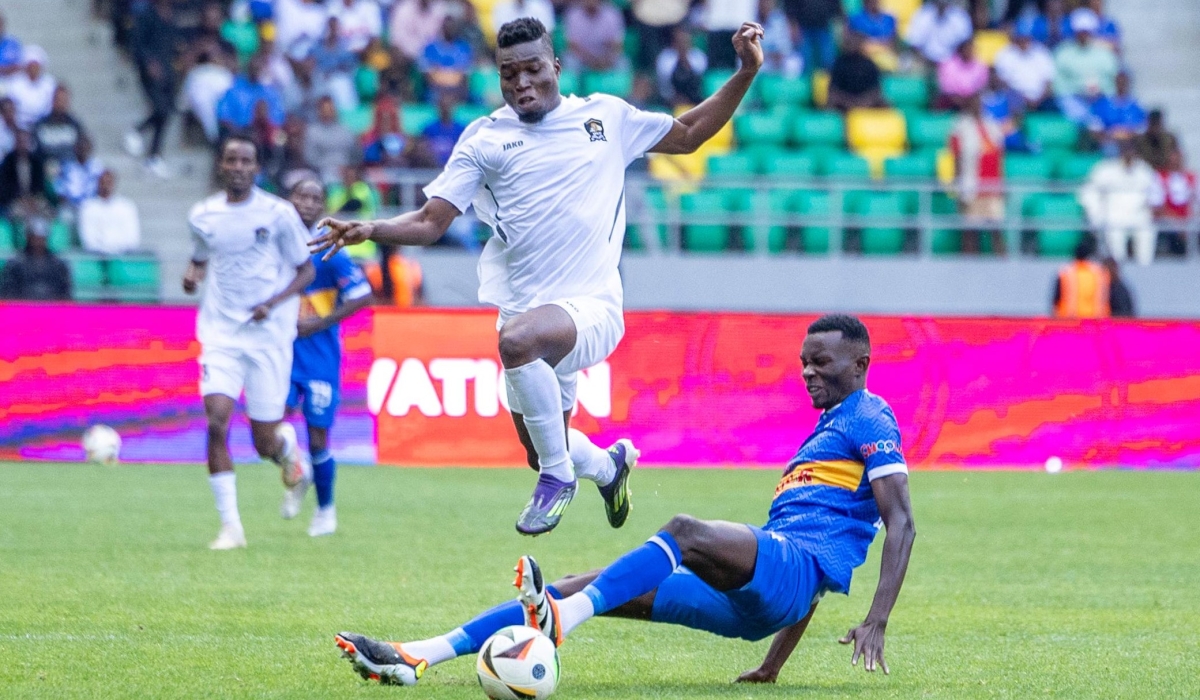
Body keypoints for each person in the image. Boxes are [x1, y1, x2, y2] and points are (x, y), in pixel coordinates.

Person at [312, 17, 766, 535]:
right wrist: (370, 227)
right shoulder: (484, 139)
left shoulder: (604, 117)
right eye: (510, 74)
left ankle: (558, 479)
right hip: (528, 309)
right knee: (539, 439)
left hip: (592, 307)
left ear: (555, 66)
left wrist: (745, 73)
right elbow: (431, 220)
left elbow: (688, 135)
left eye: (532, 70)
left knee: (517, 345)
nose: (522, 83)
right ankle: (607, 466)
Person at [333, 314, 917, 688]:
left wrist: (877, 619)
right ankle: (418, 655)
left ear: (860, 363)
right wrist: (771, 665)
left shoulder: (870, 415)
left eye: (822, 362)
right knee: (573, 586)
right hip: (757, 604)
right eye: (803, 363)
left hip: (785, 574)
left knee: (683, 531)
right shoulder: (828, 430)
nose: (808, 372)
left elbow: (901, 524)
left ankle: (561, 619)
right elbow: (807, 578)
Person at [182, 135, 316, 550]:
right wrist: (193, 275)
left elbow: (305, 271)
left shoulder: (277, 214)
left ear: (256, 168)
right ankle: (231, 527)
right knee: (216, 421)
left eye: (246, 160)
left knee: (263, 442)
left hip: (268, 339)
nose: (238, 166)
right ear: (221, 166)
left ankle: (286, 448)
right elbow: (201, 255)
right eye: (231, 160)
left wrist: (273, 303)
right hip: (221, 334)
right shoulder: (203, 214)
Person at [284, 179, 373, 537]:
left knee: (318, 436)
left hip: (320, 356)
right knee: (271, 422)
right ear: (289, 200)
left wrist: (319, 322)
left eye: (314, 198)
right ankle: (294, 469)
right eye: (300, 195)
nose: (306, 203)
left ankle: (325, 510)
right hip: (279, 352)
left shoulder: (330, 249)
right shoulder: (276, 241)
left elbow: (362, 295)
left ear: (322, 207)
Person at [1079, 139, 1157, 265]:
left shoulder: (1144, 169)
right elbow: (1088, 193)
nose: (1128, 154)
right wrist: (1096, 216)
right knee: (1115, 234)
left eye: (1131, 151)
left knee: (1147, 231)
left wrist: (1153, 208)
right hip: (1113, 214)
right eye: (1126, 150)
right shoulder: (1105, 169)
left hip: (1138, 214)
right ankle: (1118, 270)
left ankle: (1146, 268)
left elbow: (1155, 194)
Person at [950, 94, 1006, 252]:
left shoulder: (992, 125)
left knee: (997, 231)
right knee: (970, 232)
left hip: (992, 186)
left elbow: (999, 157)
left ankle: (1004, 268)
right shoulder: (960, 127)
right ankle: (967, 270)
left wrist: (1001, 185)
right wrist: (958, 185)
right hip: (971, 186)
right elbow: (957, 158)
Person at [1052, 8, 1118, 127]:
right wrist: (1078, 91)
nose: (1083, 35)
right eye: (1080, 32)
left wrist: (1101, 91)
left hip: (1101, 98)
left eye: (1086, 32)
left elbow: (1113, 79)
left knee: (1112, 113)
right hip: (1074, 98)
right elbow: (1058, 84)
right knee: (1084, 119)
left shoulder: (1104, 53)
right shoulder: (1063, 52)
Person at [0, 219, 71, 300]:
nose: (38, 241)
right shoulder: (15, 264)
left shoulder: (58, 265)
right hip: (22, 309)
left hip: (52, 309)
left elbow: (65, 293)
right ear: (28, 237)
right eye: (35, 238)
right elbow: (8, 292)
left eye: (41, 238)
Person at [994, 18, 1055, 111]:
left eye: (1026, 39)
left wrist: (1039, 99)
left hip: (1040, 98)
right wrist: (1022, 98)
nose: (1024, 42)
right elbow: (1003, 83)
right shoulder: (1005, 54)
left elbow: (1048, 82)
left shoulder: (1041, 52)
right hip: (1015, 97)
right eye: (1021, 39)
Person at [79, 169, 142, 255]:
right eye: (102, 183)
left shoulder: (126, 207)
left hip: (123, 257)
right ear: (98, 184)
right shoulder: (88, 207)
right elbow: (88, 239)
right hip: (97, 257)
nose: (105, 186)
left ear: (114, 184)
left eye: (108, 183)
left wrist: (116, 250)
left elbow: (132, 238)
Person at [1148, 149, 1194, 257]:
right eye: (1172, 160)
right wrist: (1178, 224)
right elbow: (1157, 206)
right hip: (1168, 222)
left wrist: (1189, 221)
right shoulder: (1159, 177)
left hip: (1188, 221)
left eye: (1178, 159)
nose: (1176, 162)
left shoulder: (1192, 177)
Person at [1051, 235, 1109, 318]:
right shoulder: (1100, 273)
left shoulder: (1065, 273)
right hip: (1095, 323)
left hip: (1070, 322)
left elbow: (1056, 300)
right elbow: (1106, 299)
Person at [826, 31, 886, 112]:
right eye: (851, 42)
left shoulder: (869, 64)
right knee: (830, 104)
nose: (853, 44)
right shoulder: (839, 64)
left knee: (885, 104)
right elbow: (833, 90)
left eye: (856, 42)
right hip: (844, 104)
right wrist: (849, 102)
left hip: (866, 102)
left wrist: (864, 102)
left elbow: (876, 90)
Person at [1088, 72, 1145, 155]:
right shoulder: (1103, 104)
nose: (1121, 85)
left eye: (1123, 82)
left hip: (1131, 142)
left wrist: (1129, 135)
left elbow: (1142, 127)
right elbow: (1095, 127)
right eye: (1119, 82)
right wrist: (1108, 137)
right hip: (1109, 142)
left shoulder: (1137, 105)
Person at [32, 85, 87, 172]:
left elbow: (81, 147)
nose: (60, 104)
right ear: (52, 101)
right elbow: (36, 149)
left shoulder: (75, 125)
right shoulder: (41, 125)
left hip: (70, 169)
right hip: (46, 169)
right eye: (58, 100)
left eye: (64, 101)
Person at [564, 0, 627, 73]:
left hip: (606, 55)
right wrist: (591, 60)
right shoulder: (573, 15)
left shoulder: (612, 14)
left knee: (623, 64)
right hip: (582, 57)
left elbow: (617, 45)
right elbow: (572, 46)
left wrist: (606, 60)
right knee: (570, 62)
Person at [304, 95, 357, 182]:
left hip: (347, 170)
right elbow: (310, 158)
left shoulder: (346, 130)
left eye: (330, 109)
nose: (328, 112)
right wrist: (332, 167)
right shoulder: (312, 132)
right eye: (325, 109)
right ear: (319, 111)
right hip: (323, 172)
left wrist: (348, 168)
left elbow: (354, 154)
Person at [904, 0, 973, 65]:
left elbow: (966, 45)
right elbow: (914, 45)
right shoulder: (922, 15)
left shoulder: (960, 17)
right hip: (926, 62)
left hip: (953, 63)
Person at [6, 45, 57, 129]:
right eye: (31, 65)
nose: (33, 69)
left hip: (44, 125)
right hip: (21, 125)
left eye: (36, 66)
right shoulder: (15, 83)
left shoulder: (50, 83)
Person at [655, 27, 708, 107]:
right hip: (671, 98)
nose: (683, 44)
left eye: (685, 41)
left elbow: (698, 78)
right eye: (680, 41)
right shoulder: (665, 57)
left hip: (694, 97)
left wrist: (685, 58)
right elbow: (665, 80)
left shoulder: (698, 56)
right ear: (674, 42)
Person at [785, 0, 842, 73]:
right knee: (805, 60)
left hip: (824, 26)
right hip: (803, 27)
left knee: (828, 60)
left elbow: (835, 5)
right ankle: (806, 83)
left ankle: (828, 82)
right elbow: (790, 5)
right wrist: (793, 24)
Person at [847, 0, 900, 71]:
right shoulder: (855, 19)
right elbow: (856, 43)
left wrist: (870, 42)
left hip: (887, 58)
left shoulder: (889, 19)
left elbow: (892, 43)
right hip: (862, 60)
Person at [53, 135, 105, 208]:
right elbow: (59, 185)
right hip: (70, 205)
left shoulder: (97, 166)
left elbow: (101, 187)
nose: (83, 150)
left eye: (86, 147)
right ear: (75, 148)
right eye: (80, 147)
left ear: (90, 148)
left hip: (91, 205)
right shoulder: (66, 165)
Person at [936, 37, 988, 110]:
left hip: (972, 100)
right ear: (961, 50)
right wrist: (958, 98)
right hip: (952, 99)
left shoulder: (980, 65)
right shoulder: (948, 65)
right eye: (968, 48)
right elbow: (947, 87)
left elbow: (981, 85)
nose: (971, 51)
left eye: (972, 48)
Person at [421, 93, 467, 166]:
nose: (446, 110)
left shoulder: (461, 129)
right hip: (432, 166)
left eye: (448, 106)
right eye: (443, 106)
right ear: (438, 108)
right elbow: (424, 148)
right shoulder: (429, 129)